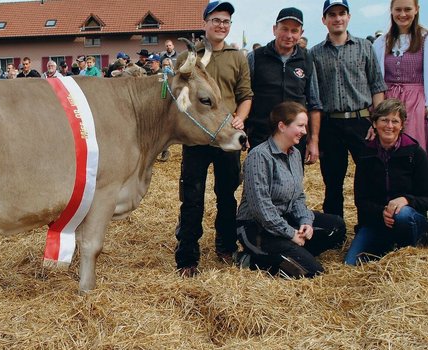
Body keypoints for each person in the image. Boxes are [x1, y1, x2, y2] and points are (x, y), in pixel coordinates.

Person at [174, 1, 253, 276]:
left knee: (227, 195)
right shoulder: (189, 57)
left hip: (227, 137)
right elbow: (175, 94)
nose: (221, 25)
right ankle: (187, 256)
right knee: (192, 198)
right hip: (196, 139)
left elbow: (245, 96)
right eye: (216, 20)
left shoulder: (238, 56)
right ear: (205, 22)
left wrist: (240, 117)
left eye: (226, 21)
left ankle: (226, 247)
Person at [236, 102, 346, 278]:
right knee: (311, 271)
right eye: (300, 126)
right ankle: (251, 260)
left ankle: (291, 251)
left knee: (336, 227)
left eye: (305, 126)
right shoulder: (259, 156)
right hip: (257, 228)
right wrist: (290, 233)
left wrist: (306, 223)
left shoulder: (295, 154)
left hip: (286, 219)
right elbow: (261, 209)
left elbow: (298, 197)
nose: (304, 131)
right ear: (282, 126)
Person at [310, 0, 387, 218]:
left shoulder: (365, 47)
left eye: (342, 13)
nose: (337, 18)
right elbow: (313, 95)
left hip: (361, 121)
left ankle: (368, 224)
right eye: (332, 14)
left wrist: (377, 122)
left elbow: (377, 86)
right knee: (332, 180)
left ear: (349, 17)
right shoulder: (315, 53)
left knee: (368, 177)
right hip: (330, 123)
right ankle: (335, 229)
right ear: (324, 20)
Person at [345, 99, 428, 265]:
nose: (389, 126)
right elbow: (360, 200)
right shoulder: (366, 154)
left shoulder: (415, 153)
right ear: (374, 123)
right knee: (351, 263)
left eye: (395, 121)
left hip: (408, 219)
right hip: (377, 222)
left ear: (402, 124)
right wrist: (381, 212)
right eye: (384, 120)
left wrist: (406, 200)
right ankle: (386, 246)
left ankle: (410, 249)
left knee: (402, 214)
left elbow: (426, 197)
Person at [246, 7, 322, 165]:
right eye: (284, 29)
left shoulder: (307, 61)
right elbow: (245, 96)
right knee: (259, 182)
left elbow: (314, 103)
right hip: (261, 135)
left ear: (301, 33)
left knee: (291, 185)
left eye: (294, 31)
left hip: (295, 138)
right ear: (274, 29)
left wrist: (313, 140)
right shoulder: (255, 57)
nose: (289, 35)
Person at [373, 0, 427, 151]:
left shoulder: (425, 39)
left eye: (407, 9)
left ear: (416, 10)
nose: (402, 14)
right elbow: (377, 78)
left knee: (412, 145)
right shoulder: (382, 41)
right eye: (398, 10)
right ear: (391, 10)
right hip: (388, 99)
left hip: (416, 101)